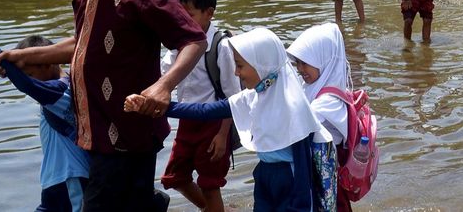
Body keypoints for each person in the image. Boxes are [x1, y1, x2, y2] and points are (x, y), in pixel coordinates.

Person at [0, 0, 207, 211]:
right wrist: (19, 56)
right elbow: (80, 45)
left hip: (129, 134)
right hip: (96, 134)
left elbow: (194, 39)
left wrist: (164, 86)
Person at [126, 28, 338, 211]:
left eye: (240, 65)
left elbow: (303, 172)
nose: (236, 73)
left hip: (289, 181)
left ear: (261, 65)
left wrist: (299, 207)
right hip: (265, 175)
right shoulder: (254, 95)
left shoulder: (293, 108)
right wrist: (160, 107)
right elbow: (205, 111)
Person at [0, 37, 90, 212]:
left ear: (48, 63)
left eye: (30, 73)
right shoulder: (58, 90)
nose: (30, 79)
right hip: (55, 178)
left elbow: (29, 86)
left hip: (71, 175)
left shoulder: (60, 92)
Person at [159, 0, 242, 212]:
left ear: (209, 13)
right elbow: (163, 76)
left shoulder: (220, 46)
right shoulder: (179, 43)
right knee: (174, 177)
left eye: (190, 15)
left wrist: (222, 135)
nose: (184, 21)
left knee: (210, 184)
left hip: (214, 125)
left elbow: (232, 96)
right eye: (181, 15)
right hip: (187, 122)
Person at [288, 23, 354, 212]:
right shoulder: (312, 88)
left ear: (323, 59)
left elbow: (297, 123)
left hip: (327, 186)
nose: (300, 69)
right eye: (297, 63)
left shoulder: (329, 101)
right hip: (317, 180)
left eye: (305, 63)